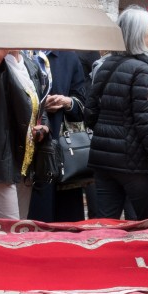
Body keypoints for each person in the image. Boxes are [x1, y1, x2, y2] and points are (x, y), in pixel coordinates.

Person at [85, 5, 148, 220]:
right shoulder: (143, 71)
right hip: (136, 165)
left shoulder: (105, 66)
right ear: (138, 34)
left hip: (104, 161)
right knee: (146, 227)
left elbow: (90, 115)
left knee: (105, 227)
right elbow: (147, 125)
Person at [0, 48, 50, 220]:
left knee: (20, 227)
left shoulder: (30, 65)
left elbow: (40, 105)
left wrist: (44, 127)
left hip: (25, 159)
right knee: (8, 231)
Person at [27, 49, 89, 222]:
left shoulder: (68, 56)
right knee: (35, 217)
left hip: (65, 152)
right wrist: (37, 105)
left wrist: (67, 102)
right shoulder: (24, 53)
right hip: (32, 148)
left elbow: (82, 105)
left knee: (66, 220)